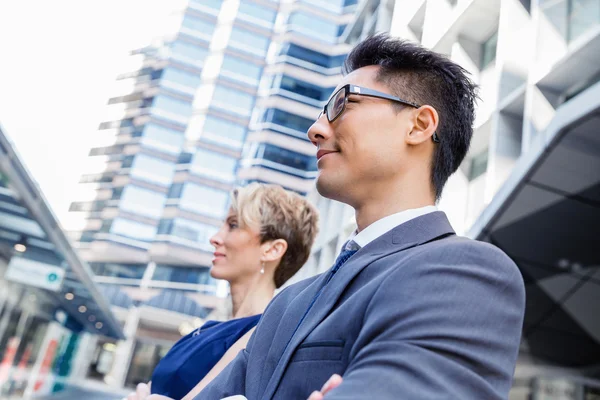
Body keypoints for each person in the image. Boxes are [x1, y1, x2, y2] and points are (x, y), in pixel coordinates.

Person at [192, 34, 526, 400]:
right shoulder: (287, 303)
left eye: (341, 105)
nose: (315, 130)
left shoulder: (467, 273)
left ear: (418, 125)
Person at [123, 183, 319, 400]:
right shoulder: (212, 329)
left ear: (272, 249)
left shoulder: (261, 335)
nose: (215, 238)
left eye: (233, 225)